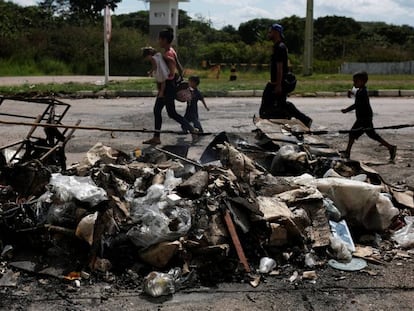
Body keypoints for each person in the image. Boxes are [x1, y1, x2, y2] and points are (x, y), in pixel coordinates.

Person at [143, 27, 198, 145]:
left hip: (167, 87)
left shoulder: (167, 54)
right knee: (168, 112)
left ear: (164, 40)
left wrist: (163, 86)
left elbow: (171, 71)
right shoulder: (172, 50)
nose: (158, 41)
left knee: (160, 111)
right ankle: (191, 130)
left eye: (160, 39)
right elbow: (179, 67)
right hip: (169, 86)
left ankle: (192, 130)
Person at [259, 23, 312, 128]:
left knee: (269, 106)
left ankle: (301, 120)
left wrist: (278, 85)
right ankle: (303, 120)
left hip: (278, 83)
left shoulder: (280, 47)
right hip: (276, 82)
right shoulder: (279, 46)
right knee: (280, 105)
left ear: (276, 32)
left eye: (270, 31)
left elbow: (280, 67)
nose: (269, 34)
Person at [341, 71, 397, 161]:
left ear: (362, 82)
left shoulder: (362, 92)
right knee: (372, 135)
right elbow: (358, 97)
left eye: (355, 81)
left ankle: (347, 152)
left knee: (353, 133)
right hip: (364, 117)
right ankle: (390, 147)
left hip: (364, 119)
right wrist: (352, 93)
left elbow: (357, 105)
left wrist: (346, 110)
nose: (354, 83)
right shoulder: (361, 91)